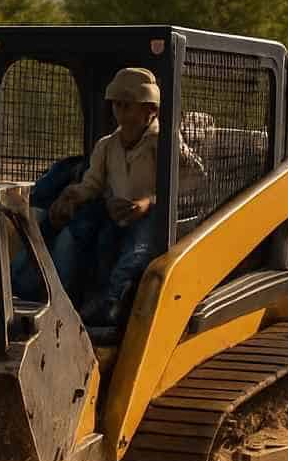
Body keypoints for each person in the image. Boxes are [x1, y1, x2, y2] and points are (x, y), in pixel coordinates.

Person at [13, 67, 201, 325]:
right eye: (117, 105)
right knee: (83, 239)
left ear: (151, 111)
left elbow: (193, 181)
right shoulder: (107, 145)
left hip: (155, 219)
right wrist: (71, 195)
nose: (121, 112)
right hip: (114, 216)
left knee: (135, 253)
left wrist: (149, 203)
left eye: (128, 105)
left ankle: (111, 308)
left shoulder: (165, 144)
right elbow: (92, 183)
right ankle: (61, 299)